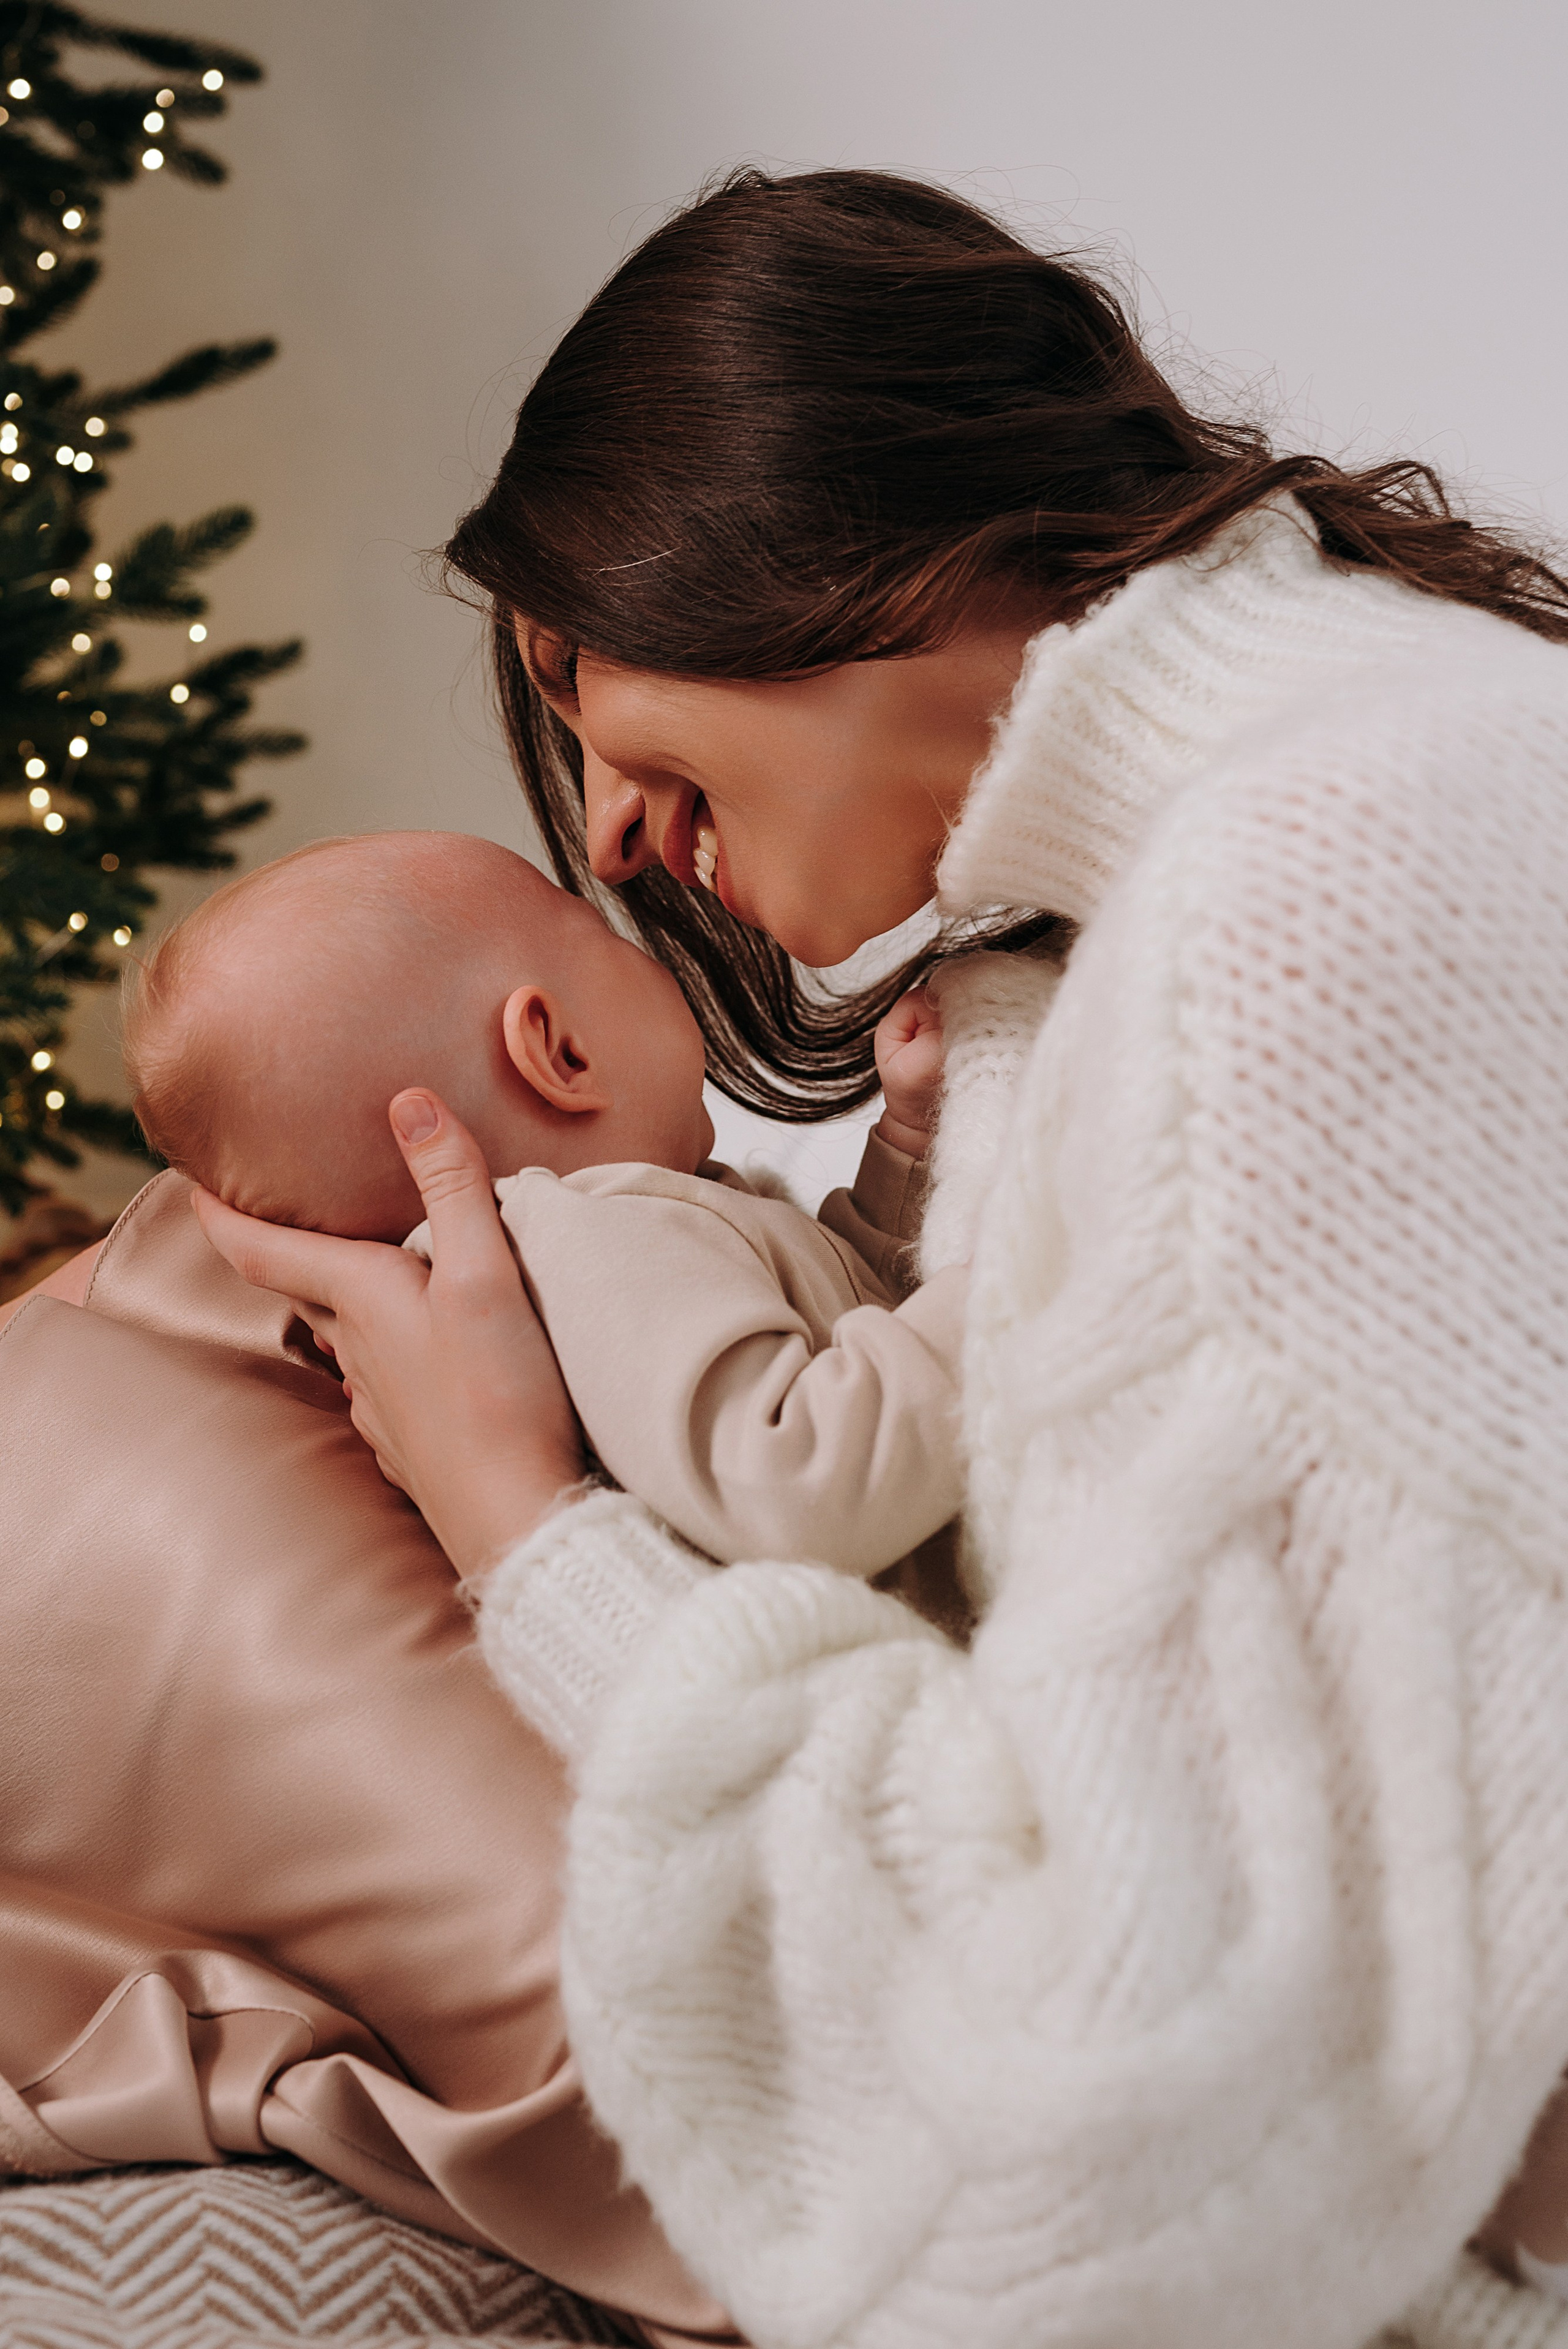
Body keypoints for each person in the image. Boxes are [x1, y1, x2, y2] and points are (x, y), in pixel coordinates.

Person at [197, 169, 1568, 2349]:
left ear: (825, 539)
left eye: (596, 676)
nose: (614, 830)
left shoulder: (1316, 886)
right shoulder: (1121, 919)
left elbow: (1117, 2141)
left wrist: (529, 1531)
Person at [124, 827, 978, 1599]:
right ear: (561, 1052)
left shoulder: (630, 1225)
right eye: (600, 936)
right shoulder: (599, 1243)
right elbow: (800, 1481)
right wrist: (1020, 1277)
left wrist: (907, 1145)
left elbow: (847, 1323)